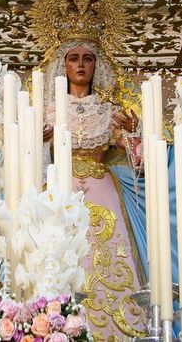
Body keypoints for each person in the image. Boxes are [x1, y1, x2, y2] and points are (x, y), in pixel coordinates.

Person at [43, 41, 147, 342]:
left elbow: (137, 158)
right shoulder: (47, 112)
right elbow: (24, 160)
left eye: (88, 59)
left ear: (95, 66)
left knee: (111, 253)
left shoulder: (108, 111)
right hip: (59, 189)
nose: (81, 65)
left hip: (101, 187)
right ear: (63, 65)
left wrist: (132, 133)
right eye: (74, 58)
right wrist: (36, 142)